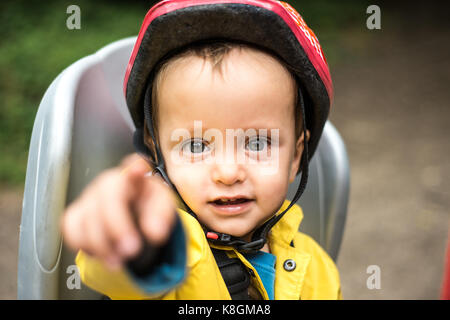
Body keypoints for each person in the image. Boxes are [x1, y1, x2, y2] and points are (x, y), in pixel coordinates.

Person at [61, 0, 342, 300]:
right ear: (158, 156)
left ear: (296, 156)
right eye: (196, 146)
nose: (228, 173)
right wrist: (128, 230)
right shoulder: (172, 252)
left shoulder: (319, 270)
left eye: (258, 143)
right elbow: (122, 270)